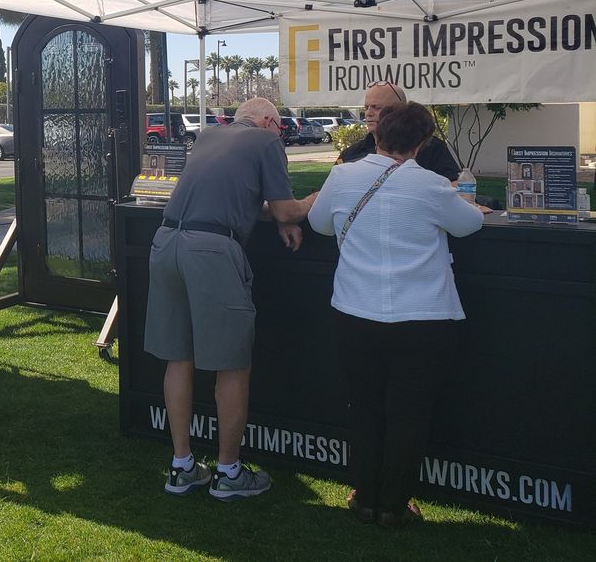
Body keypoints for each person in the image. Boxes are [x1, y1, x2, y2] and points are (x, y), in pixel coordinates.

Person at [308, 102, 484, 527]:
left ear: (377, 134)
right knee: (409, 414)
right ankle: (394, 504)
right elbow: (469, 225)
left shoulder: (343, 176)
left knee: (364, 407)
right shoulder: (431, 186)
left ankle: (366, 496)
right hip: (424, 319)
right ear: (422, 143)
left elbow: (318, 222)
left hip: (354, 312)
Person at [144, 97, 316, 500]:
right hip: (212, 252)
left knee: (179, 356)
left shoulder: (208, 136)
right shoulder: (265, 140)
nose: (283, 137)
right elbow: (286, 208)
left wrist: (276, 218)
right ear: (268, 122)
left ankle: (182, 466)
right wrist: (314, 201)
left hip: (166, 241)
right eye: (281, 129)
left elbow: (238, 198)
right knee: (233, 364)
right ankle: (228, 472)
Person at [337, 82, 460, 182]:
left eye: (377, 107)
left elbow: (456, 186)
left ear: (399, 110)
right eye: (366, 107)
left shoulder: (432, 148)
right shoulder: (351, 153)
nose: (368, 113)